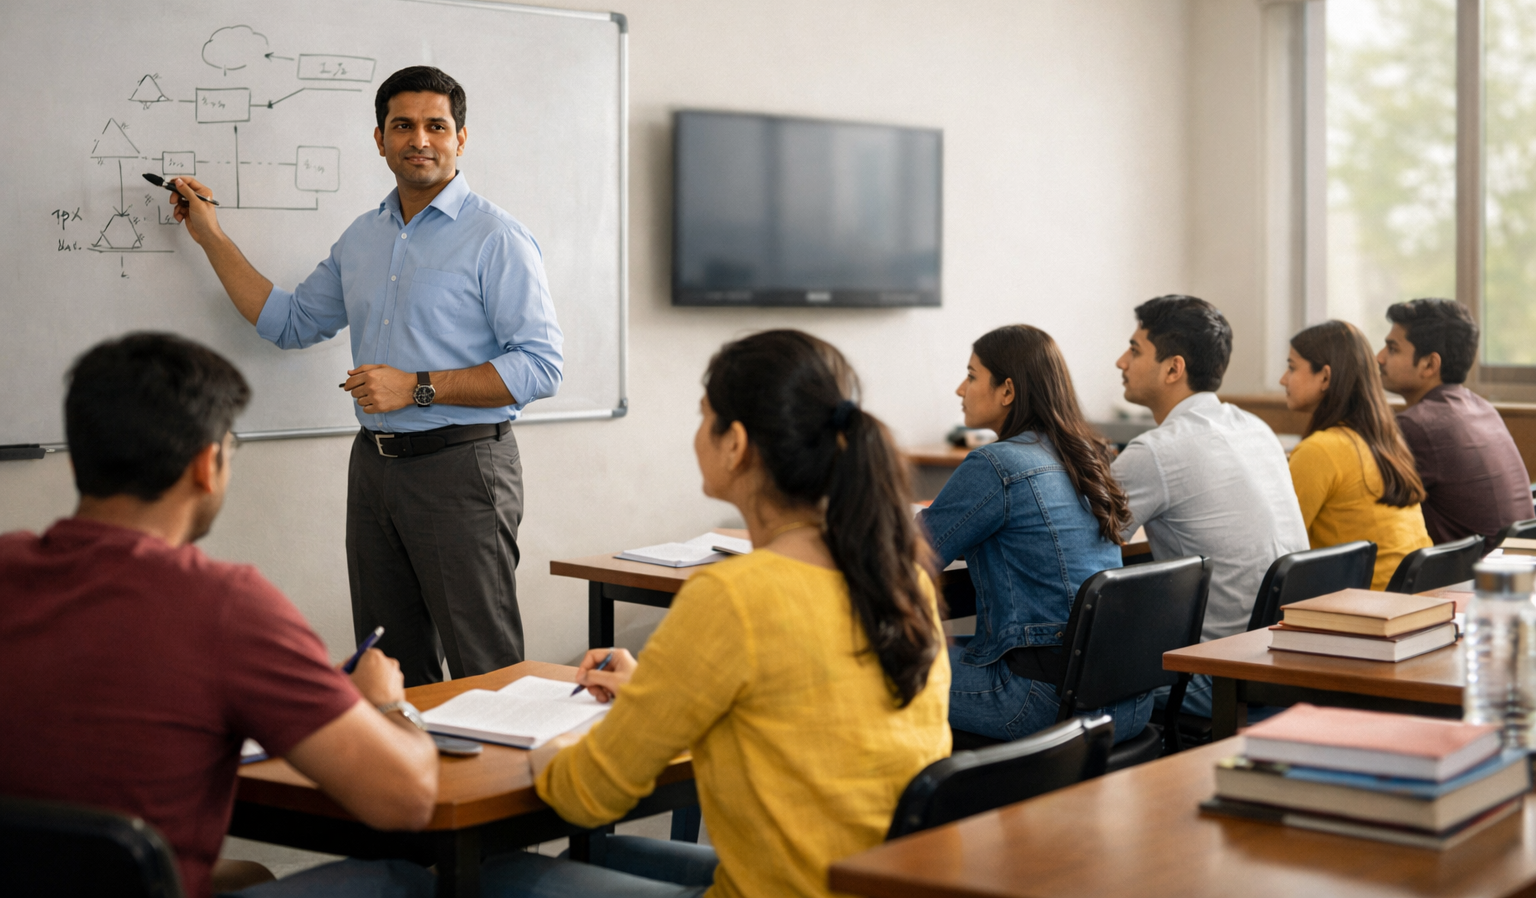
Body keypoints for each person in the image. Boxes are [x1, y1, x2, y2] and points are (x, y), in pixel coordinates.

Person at [480, 329, 950, 898]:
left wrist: (548, 753)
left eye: (705, 418)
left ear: (737, 444)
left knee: (496, 876)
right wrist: (655, 688)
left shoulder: (735, 596)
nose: (697, 435)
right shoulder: (901, 580)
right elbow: (797, 707)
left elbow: (589, 795)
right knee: (615, 851)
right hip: (861, 884)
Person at [0, 333, 439, 898]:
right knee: (405, 881)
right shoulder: (226, 607)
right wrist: (384, 702)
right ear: (207, 465)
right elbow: (408, 797)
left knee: (249, 875)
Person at [164, 66, 562, 686]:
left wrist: (417, 386)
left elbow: (540, 366)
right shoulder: (363, 237)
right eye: (403, 126)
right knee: (387, 667)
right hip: (374, 469)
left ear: (462, 139)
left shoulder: (497, 238)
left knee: (483, 667)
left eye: (437, 125)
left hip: (462, 469)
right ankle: (411, 783)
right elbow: (290, 321)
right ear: (379, 139)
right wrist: (210, 235)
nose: (420, 140)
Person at [919, 325, 1149, 743]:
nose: (959, 389)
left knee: (875, 671)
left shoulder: (996, 464)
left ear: (1007, 391)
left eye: (971, 376)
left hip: (1041, 703)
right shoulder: (1087, 454)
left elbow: (910, 555)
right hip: (1122, 699)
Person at [1111, 295, 1308, 719]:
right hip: (1284, 662)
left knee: (1069, 679)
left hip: (1217, 674)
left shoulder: (1156, 451)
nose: (1120, 362)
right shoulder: (1255, 426)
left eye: (1134, 349)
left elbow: (1084, 543)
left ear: (1173, 368)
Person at [1283, 321, 1432, 588]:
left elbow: (1281, 543)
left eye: (1292, 367)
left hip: (1365, 611)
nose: (1284, 379)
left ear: (1325, 377)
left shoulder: (1320, 450)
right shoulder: (1387, 440)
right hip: (1414, 604)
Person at [1377, 298, 1533, 550]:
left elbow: (1370, 505)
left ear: (1429, 364)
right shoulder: (1482, 408)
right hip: (1518, 574)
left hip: (1476, 584)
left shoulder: (1416, 426)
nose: (1379, 358)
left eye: (1393, 349)